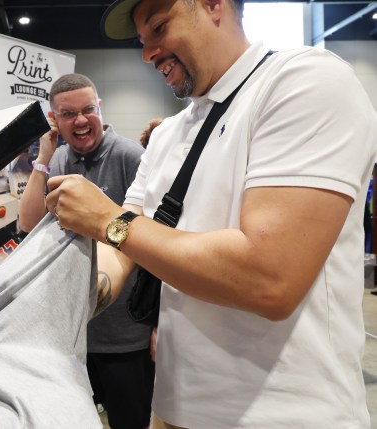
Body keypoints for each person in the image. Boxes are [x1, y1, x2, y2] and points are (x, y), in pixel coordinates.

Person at [45, 1, 377, 428]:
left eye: (160, 27)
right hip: (173, 408)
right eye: (143, 40)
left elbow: (269, 277)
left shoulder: (304, 81)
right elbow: (121, 253)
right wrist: (55, 306)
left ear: (213, 5)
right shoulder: (168, 135)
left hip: (287, 416)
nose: (148, 54)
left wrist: (110, 221)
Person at [18, 73, 154, 429]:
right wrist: (44, 154)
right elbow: (28, 223)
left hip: (126, 337)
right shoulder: (59, 161)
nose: (80, 120)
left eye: (87, 110)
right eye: (67, 114)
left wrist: (159, 326)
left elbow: (158, 242)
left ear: (99, 108)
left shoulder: (130, 157)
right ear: (55, 120)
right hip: (73, 338)